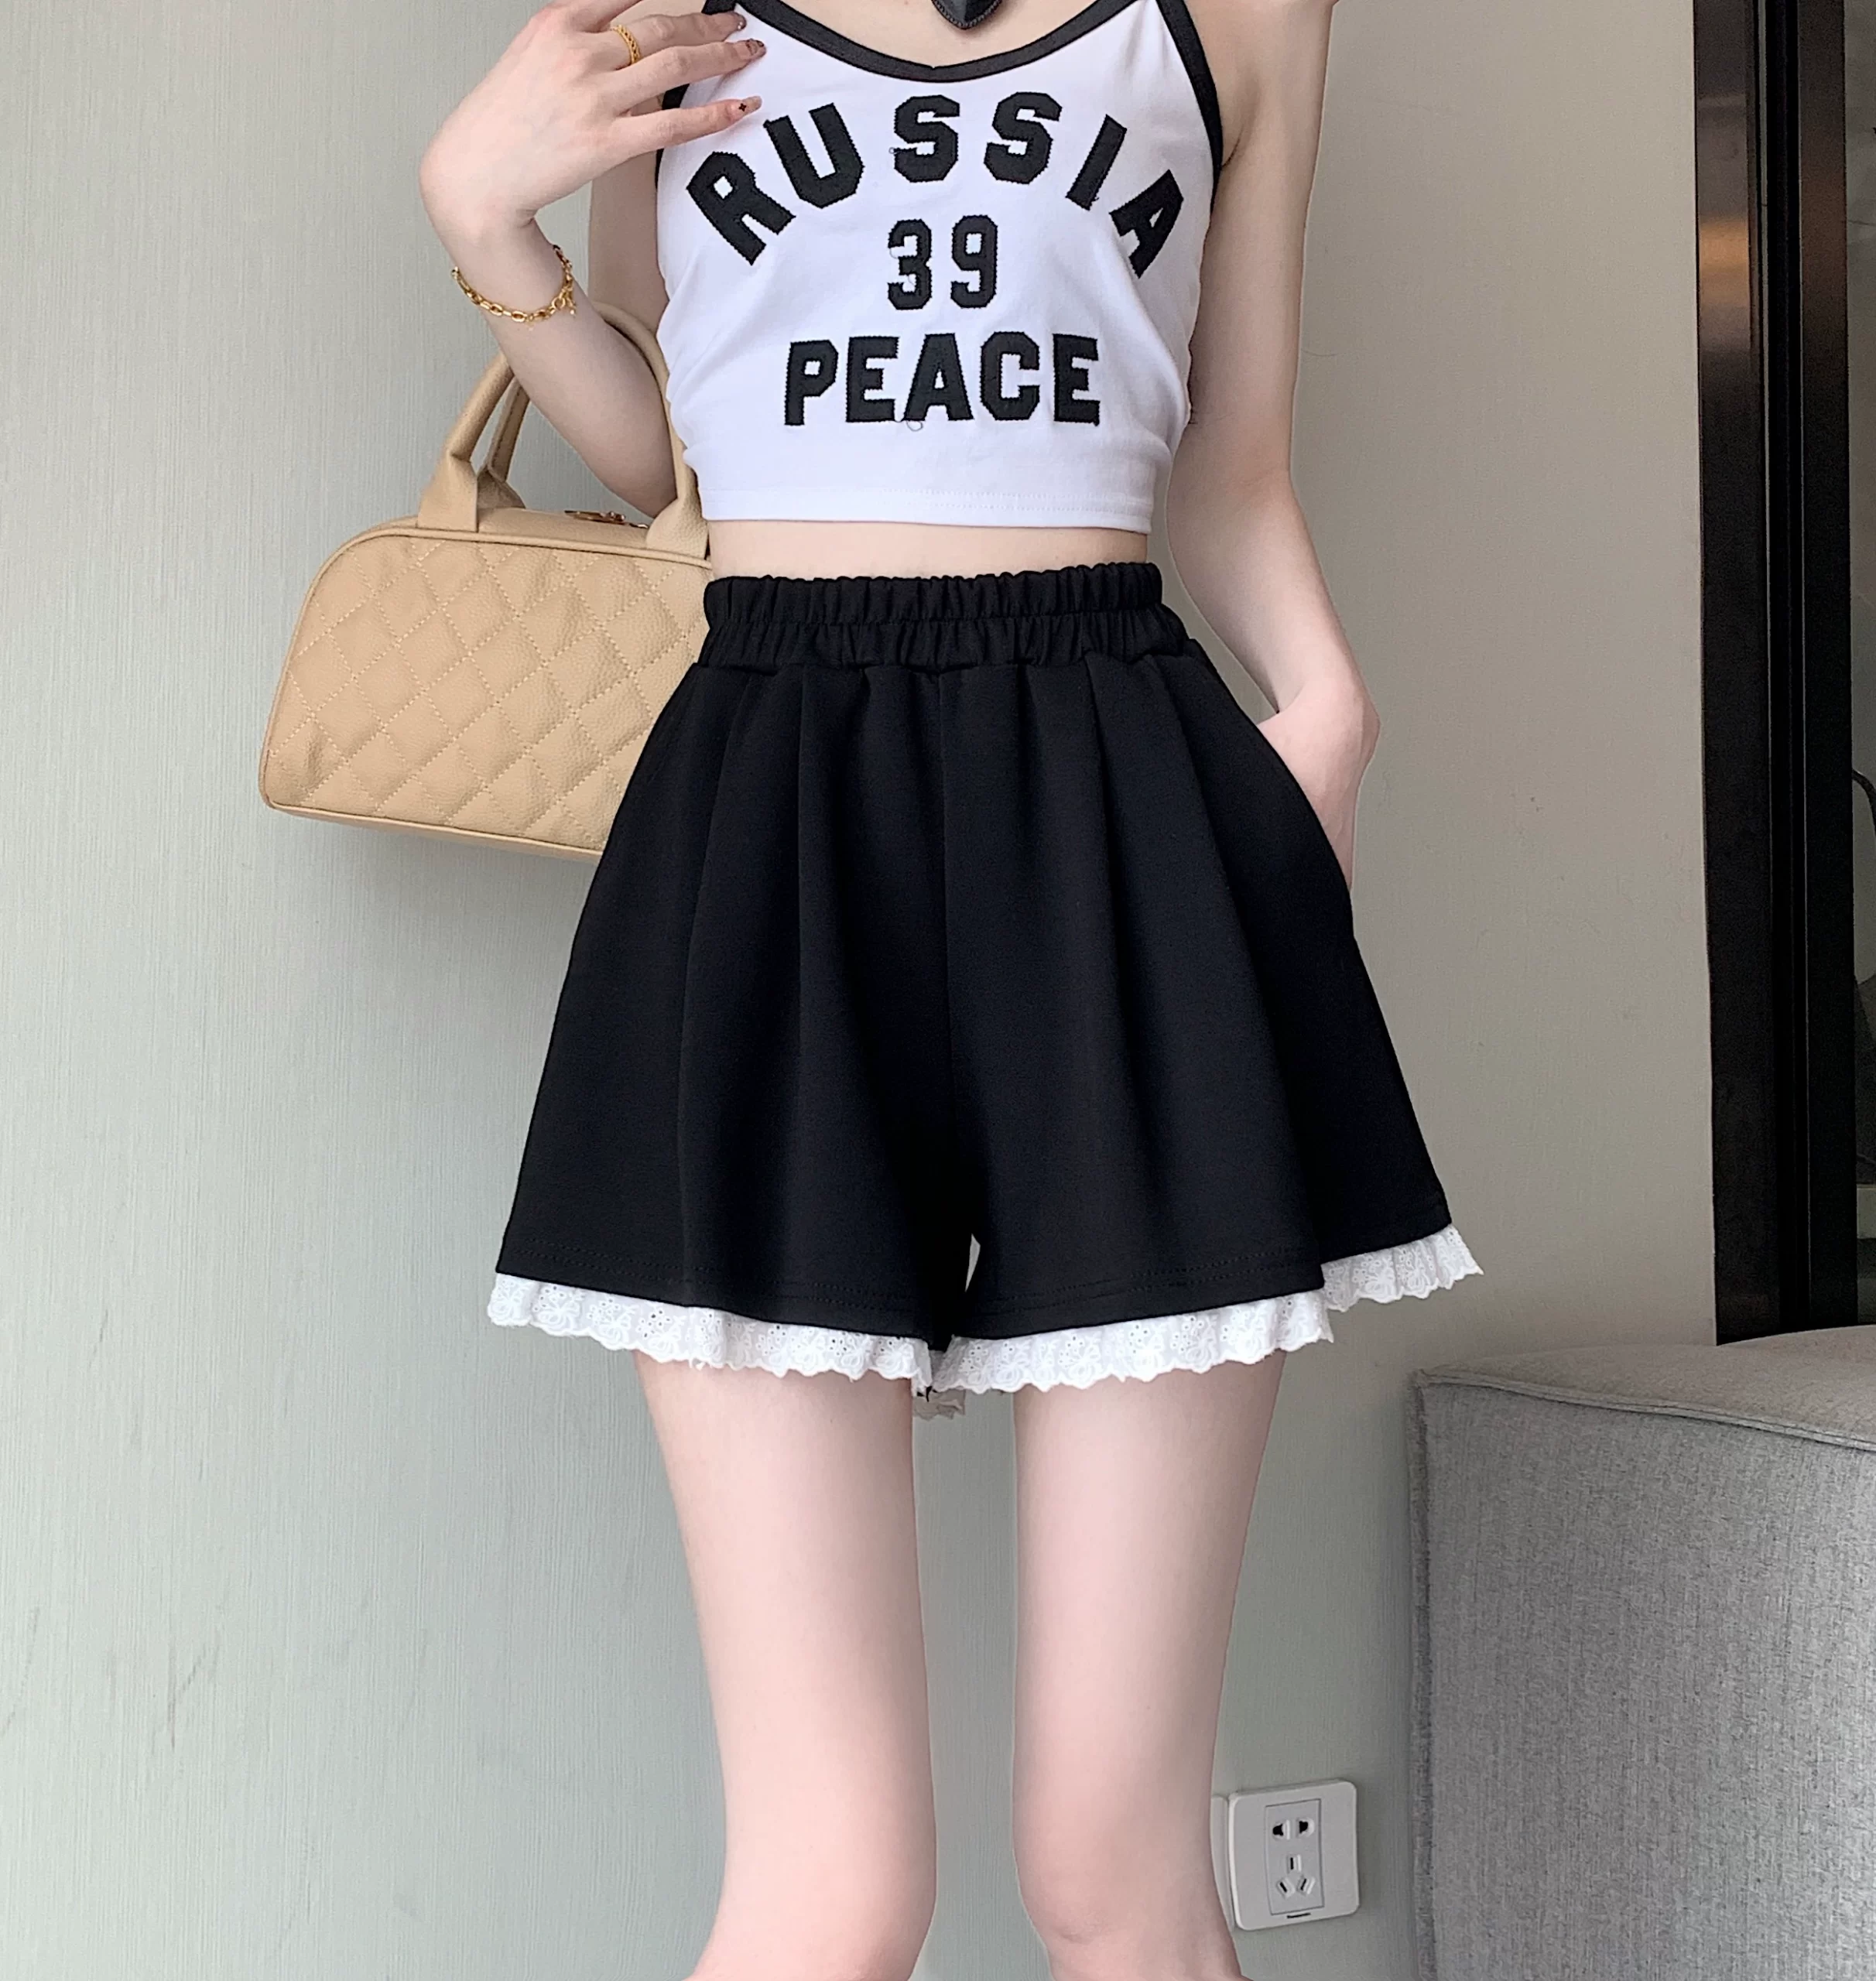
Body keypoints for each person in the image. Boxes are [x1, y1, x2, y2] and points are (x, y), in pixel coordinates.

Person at [419, 0, 1479, 1974]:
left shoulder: (1249, 14)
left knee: (1113, 1862)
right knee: (834, 1880)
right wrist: (481, 216)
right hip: (775, 818)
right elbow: (674, 448)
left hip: (1121, 811)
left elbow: (1232, 467)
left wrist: (1329, 715)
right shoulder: (669, 11)